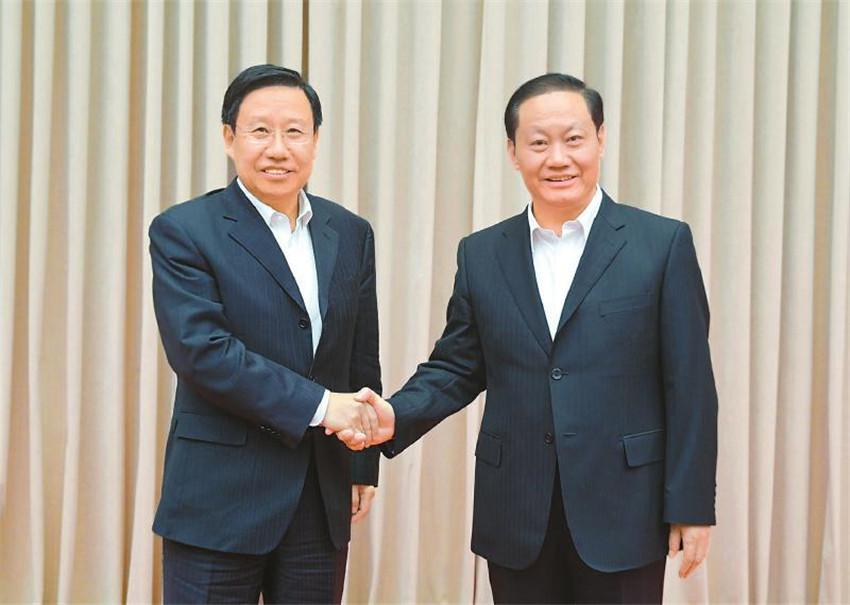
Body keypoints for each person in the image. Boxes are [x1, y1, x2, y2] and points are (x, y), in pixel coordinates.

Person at [348, 73, 718, 604]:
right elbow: (456, 367)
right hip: (517, 508)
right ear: (513, 152)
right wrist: (393, 416)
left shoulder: (661, 244)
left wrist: (691, 504)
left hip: (624, 507)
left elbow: (691, 385)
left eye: (574, 139)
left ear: (600, 140)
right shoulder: (482, 253)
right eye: (539, 143)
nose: (558, 158)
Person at [149, 64, 383, 604]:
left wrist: (361, 461)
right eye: (260, 130)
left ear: (316, 140)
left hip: (319, 494)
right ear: (229, 138)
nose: (278, 148)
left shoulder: (350, 232)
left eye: (294, 131)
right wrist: (323, 407)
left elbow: (359, 356)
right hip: (218, 499)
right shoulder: (185, 229)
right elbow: (203, 353)